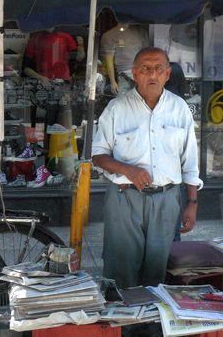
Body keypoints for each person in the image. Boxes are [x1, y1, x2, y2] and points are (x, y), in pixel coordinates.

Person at [92, 47, 202, 289]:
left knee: (159, 269)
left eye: (158, 69)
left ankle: (153, 326)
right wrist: (127, 169)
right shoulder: (117, 108)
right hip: (124, 199)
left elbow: (190, 162)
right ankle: (125, 325)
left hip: (167, 198)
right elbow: (98, 155)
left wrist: (192, 203)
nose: (152, 74)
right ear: (134, 74)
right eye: (145, 69)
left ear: (167, 74)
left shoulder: (179, 108)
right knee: (121, 268)